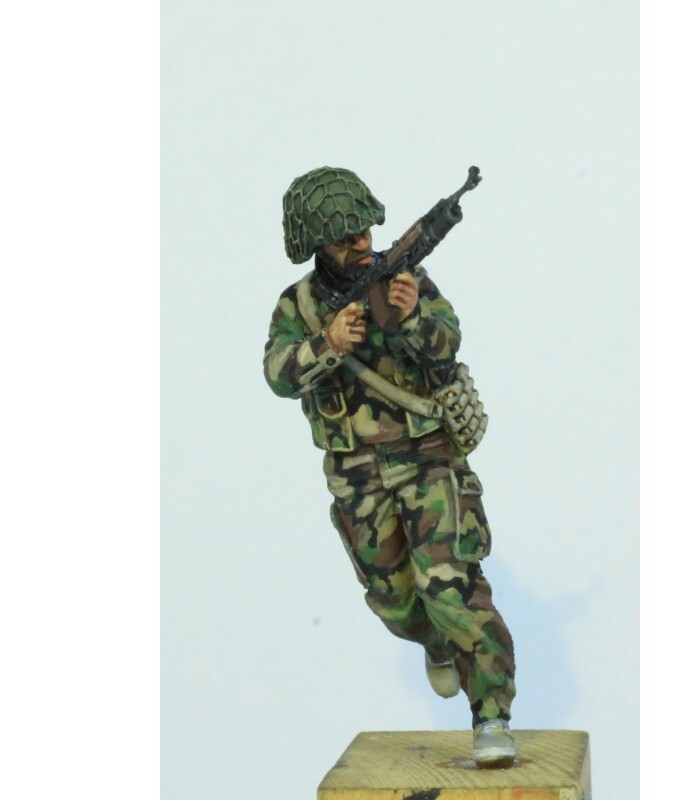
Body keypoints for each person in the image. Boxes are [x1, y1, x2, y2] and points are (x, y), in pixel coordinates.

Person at [263, 166, 517, 767]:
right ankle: (434, 641)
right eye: (345, 238)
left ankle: (491, 713)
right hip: (356, 473)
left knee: (450, 588)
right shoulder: (299, 305)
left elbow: (448, 344)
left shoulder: (406, 279)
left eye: (364, 232)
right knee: (396, 601)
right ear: (317, 243)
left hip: (426, 457)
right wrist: (327, 344)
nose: (361, 245)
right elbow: (277, 375)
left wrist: (412, 318)